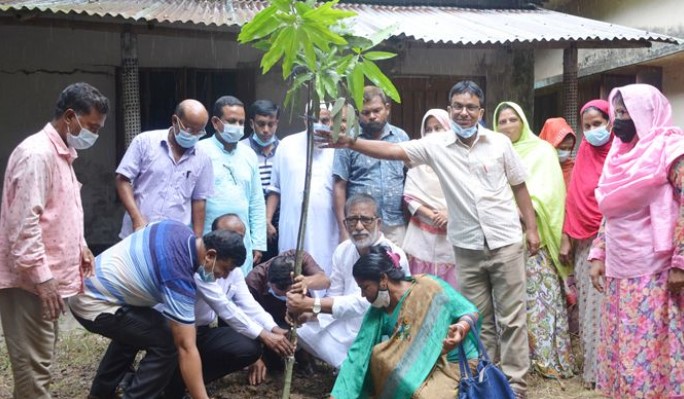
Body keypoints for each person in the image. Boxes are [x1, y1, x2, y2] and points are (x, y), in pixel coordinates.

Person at [317, 80, 538, 398]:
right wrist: (352, 143)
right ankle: (485, 379)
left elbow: (519, 186)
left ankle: (515, 386)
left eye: (471, 107)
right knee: (478, 318)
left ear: (481, 111)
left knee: (513, 318)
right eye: (458, 106)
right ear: (451, 110)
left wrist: (530, 228)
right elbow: (393, 150)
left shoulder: (500, 144)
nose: (464, 112)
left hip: (504, 240)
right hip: (467, 246)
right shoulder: (436, 145)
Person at [0, 82, 109, 399]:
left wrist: (81, 247)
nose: (94, 135)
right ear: (70, 116)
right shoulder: (37, 154)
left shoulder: (62, 154)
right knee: (34, 372)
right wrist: (44, 279)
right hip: (30, 284)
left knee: (40, 365)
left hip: (43, 281)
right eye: (91, 127)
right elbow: (23, 224)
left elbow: (59, 211)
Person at [68, 220, 246, 399]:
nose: (224, 276)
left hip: (90, 287)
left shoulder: (177, 229)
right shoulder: (178, 276)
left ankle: (99, 394)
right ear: (210, 256)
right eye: (225, 269)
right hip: (92, 303)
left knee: (142, 328)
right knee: (168, 342)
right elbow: (186, 347)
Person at [588, 84, 684, 398]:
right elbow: (610, 211)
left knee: (652, 349)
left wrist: (680, 262)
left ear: (647, 113)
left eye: (626, 113)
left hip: (656, 272)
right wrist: (599, 253)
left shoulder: (671, 150)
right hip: (620, 269)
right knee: (624, 348)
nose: (618, 122)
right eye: (616, 113)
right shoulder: (617, 156)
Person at [164, 213, 293, 394]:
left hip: (202, 331)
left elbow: (248, 304)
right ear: (215, 237)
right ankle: (172, 383)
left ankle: (181, 383)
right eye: (231, 236)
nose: (236, 242)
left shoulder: (234, 270)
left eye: (240, 237)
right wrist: (264, 335)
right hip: (176, 331)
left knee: (248, 348)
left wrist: (272, 328)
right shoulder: (201, 264)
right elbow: (223, 307)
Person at [331, 246, 479, 399]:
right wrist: (338, 396)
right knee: (380, 358)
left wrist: (461, 327)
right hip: (419, 366)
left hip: (453, 361)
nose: (362, 295)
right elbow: (359, 352)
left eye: (365, 287)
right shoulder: (379, 310)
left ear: (383, 279)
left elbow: (469, 310)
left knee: (422, 396)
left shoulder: (428, 287)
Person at [494, 101, 575, 379]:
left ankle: (546, 359)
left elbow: (552, 193)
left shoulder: (542, 151)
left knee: (540, 299)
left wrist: (528, 213)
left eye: (512, 120)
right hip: (502, 237)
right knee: (508, 303)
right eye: (501, 121)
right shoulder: (493, 151)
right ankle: (516, 363)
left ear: (523, 122)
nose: (507, 126)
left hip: (534, 239)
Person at [288, 194, 410, 368]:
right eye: (352, 220)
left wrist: (312, 303)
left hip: (379, 326)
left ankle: (357, 370)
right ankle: (350, 368)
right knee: (303, 330)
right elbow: (335, 293)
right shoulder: (342, 250)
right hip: (346, 323)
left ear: (378, 223)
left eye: (366, 220)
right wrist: (310, 313)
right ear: (345, 224)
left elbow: (365, 303)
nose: (359, 227)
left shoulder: (392, 255)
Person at [558, 99, 612, 388]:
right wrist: (567, 236)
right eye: (587, 126)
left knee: (606, 309)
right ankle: (592, 374)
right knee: (589, 310)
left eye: (598, 124)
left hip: (613, 242)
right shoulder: (583, 155)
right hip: (583, 244)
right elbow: (573, 199)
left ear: (610, 122)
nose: (593, 131)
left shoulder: (620, 155)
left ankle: (609, 374)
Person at [115, 99, 214, 238]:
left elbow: (199, 200)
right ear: (175, 120)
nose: (193, 135)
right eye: (189, 129)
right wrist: (136, 218)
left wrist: (197, 240)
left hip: (173, 239)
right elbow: (122, 180)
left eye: (199, 132)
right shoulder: (144, 142)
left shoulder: (203, 158)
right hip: (137, 233)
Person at [332, 86, 409, 246]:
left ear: (387, 109)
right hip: (361, 226)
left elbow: (410, 180)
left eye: (377, 110)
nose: (372, 116)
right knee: (362, 270)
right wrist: (344, 230)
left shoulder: (401, 137)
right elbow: (339, 187)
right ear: (357, 113)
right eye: (366, 113)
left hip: (395, 224)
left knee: (396, 268)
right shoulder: (348, 141)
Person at [267, 106, 339, 276]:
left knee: (327, 271)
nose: (319, 125)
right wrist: (267, 219)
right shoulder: (286, 145)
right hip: (293, 224)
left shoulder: (338, 148)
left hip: (328, 226)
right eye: (313, 120)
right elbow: (275, 188)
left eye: (324, 120)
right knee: (291, 272)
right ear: (304, 119)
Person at [198, 95, 266, 273]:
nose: (237, 127)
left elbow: (256, 201)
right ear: (215, 122)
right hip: (207, 240)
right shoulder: (199, 152)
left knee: (239, 290)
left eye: (241, 122)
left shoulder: (249, 154)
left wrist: (258, 243)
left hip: (242, 242)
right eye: (231, 121)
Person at [402, 109, 458, 287]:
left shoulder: (459, 162)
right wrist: (432, 215)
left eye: (438, 128)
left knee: (451, 291)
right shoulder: (416, 164)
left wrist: (449, 214)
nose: (433, 133)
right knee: (421, 289)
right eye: (429, 129)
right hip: (421, 236)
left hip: (452, 233)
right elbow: (410, 198)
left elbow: (467, 196)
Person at [246, 250, 330, 329]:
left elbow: (325, 281)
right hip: (270, 321)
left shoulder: (299, 257)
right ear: (269, 282)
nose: (289, 299)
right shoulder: (253, 282)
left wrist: (306, 282)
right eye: (279, 295)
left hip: (305, 313)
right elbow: (250, 318)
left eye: (292, 291)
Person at [241, 99, 281, 262]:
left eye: (270, 124)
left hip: (279, 219)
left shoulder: (285, 149)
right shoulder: (241, 150)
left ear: (277, 123)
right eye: (261, 124)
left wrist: (269, 220)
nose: (266, 130)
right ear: (252, 123)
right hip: (249, 218)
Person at [539, 117, 576, 187]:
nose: (566, 152)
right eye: (562, 148)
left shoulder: (573, 168)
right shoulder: (534, 166)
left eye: (569, 149)